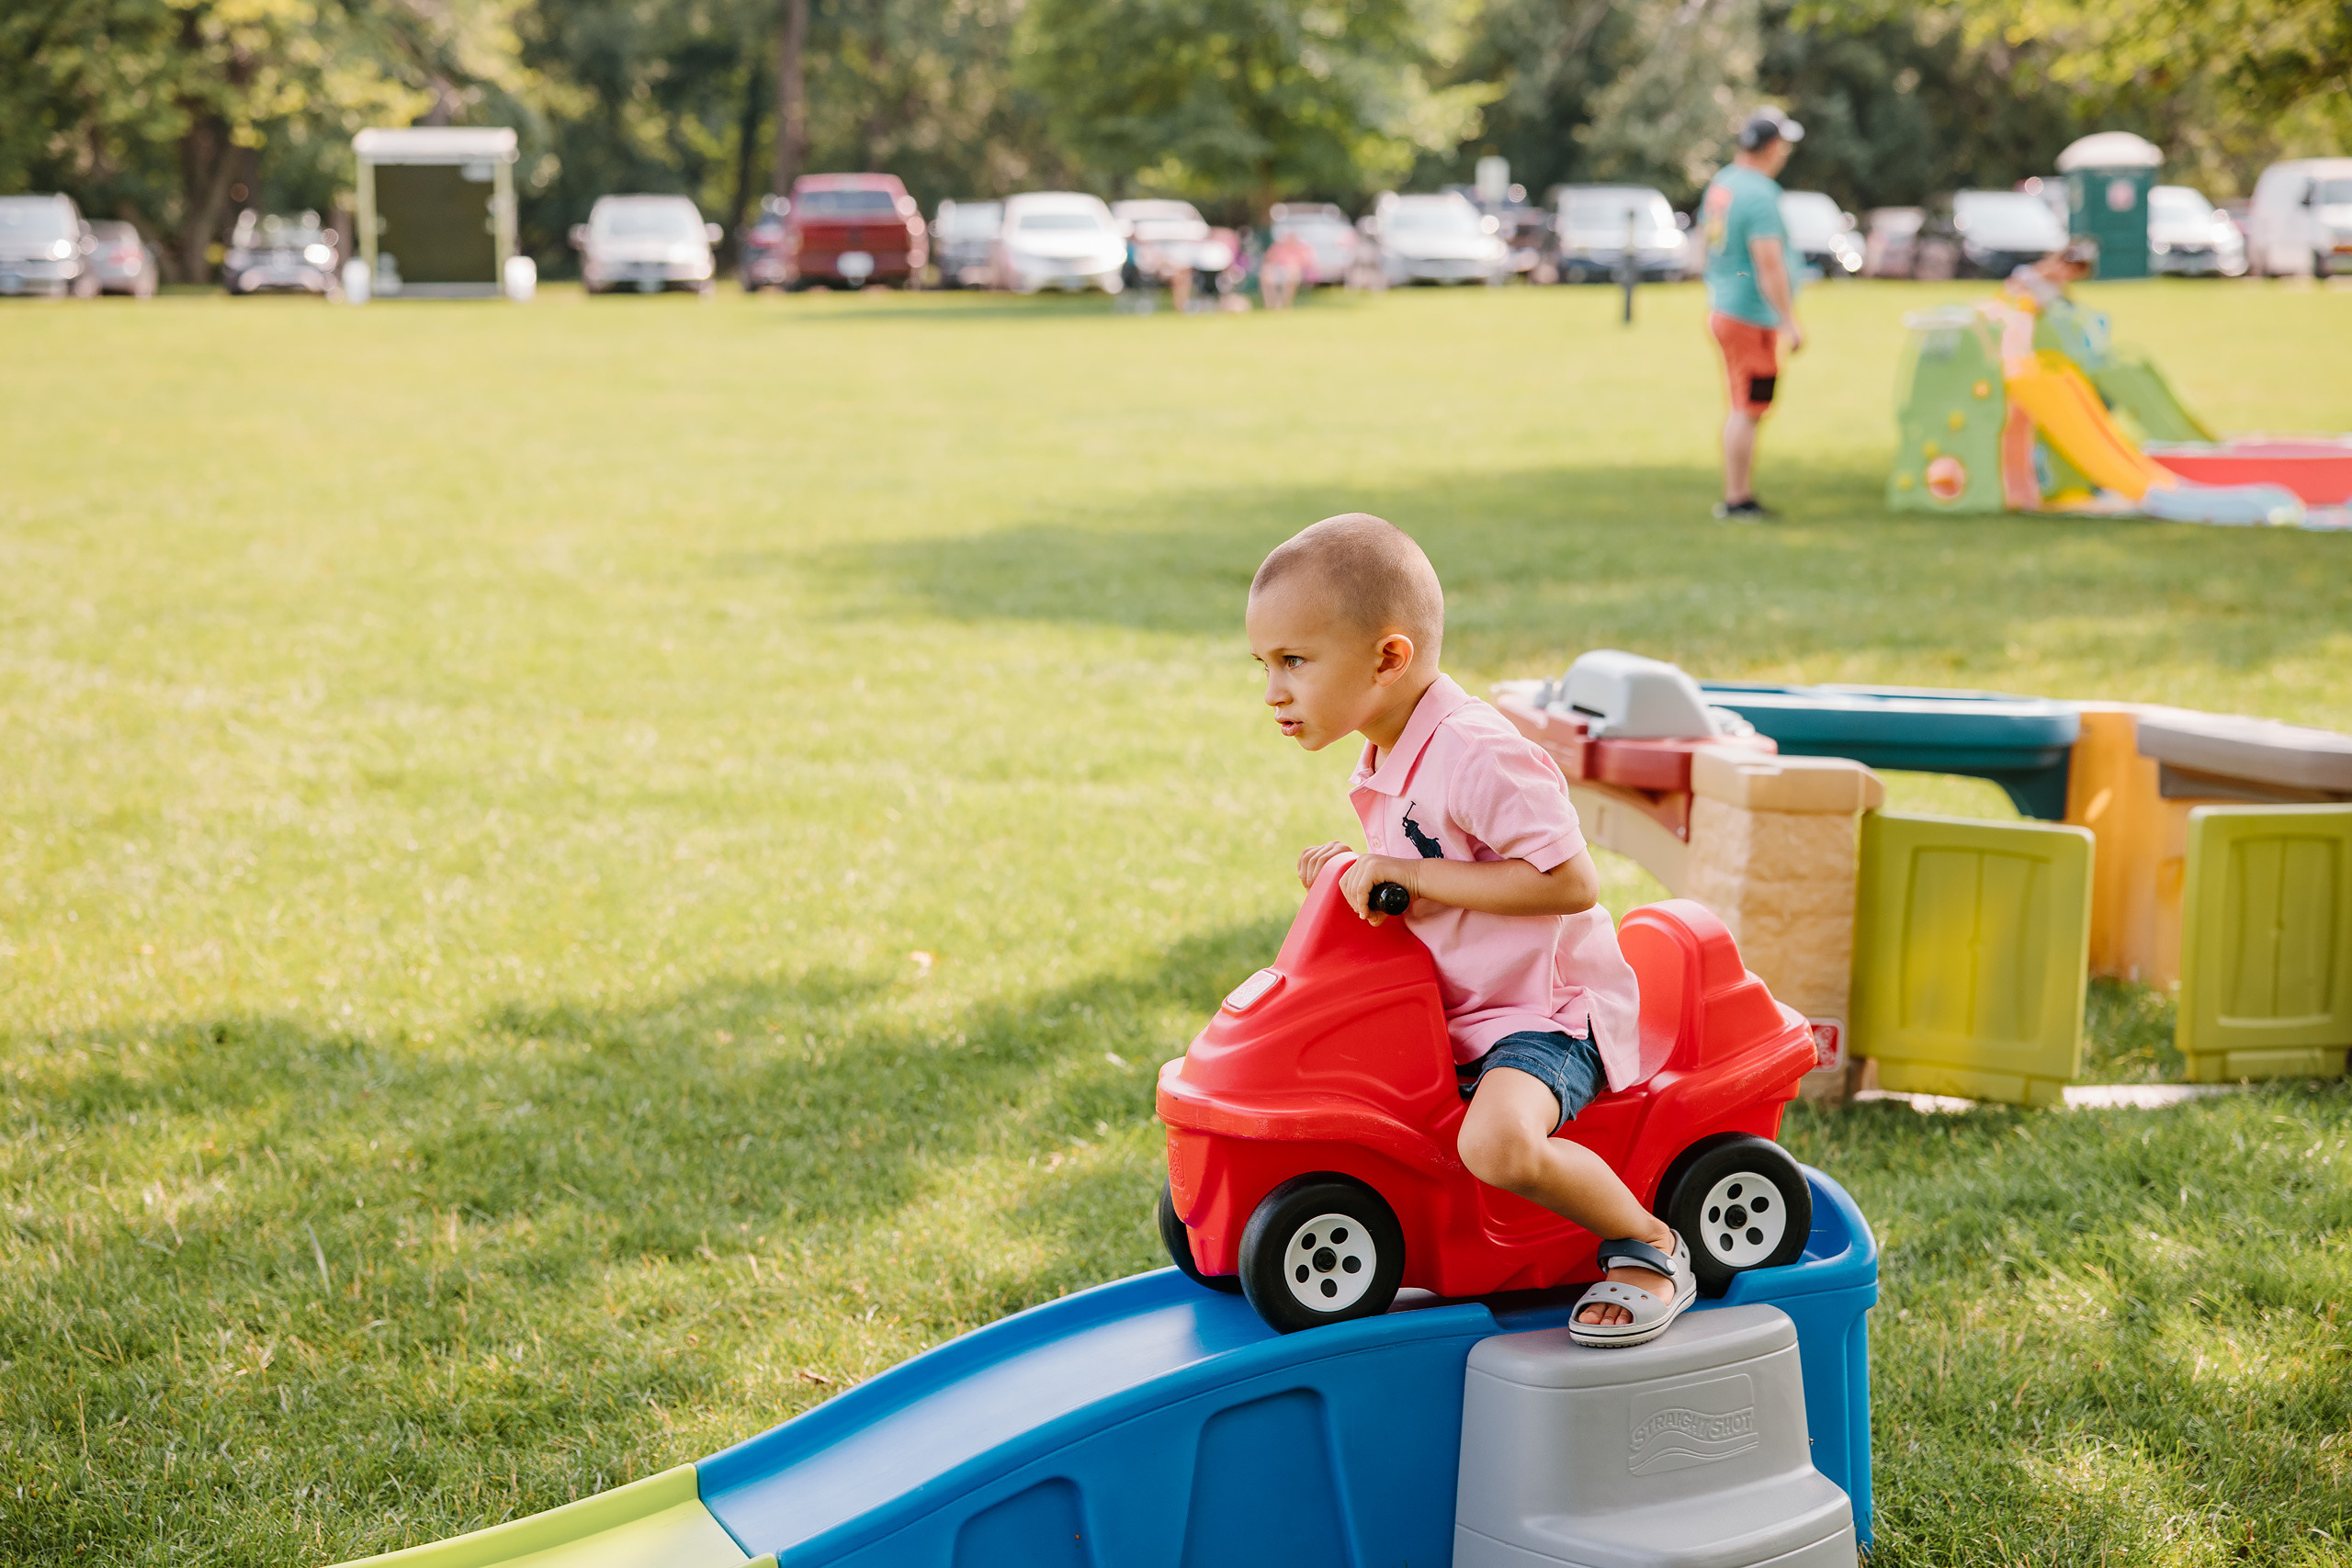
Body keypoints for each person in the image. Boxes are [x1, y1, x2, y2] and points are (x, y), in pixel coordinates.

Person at [1244, 513, 1692, 1348]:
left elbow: (1571, 881)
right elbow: (1431, 879)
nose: (1272, 689)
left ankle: (1651, 1245)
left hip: (1545, 1015)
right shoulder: (1386, 754)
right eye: (1263, 664)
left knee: (1496, 1145)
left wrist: (1407, 875)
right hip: (1459, 1012)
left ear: (1388, 658)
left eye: (1294, 661)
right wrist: (1357, 872)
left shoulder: (1477, 753)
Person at [1701, 109, 1806, 521]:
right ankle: (1737, 499)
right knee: (1748, 408)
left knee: (1747, 405)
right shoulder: (1760, 194)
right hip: (1749, 318)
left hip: (1727, 309)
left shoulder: (1723, 184)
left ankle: (1738, 496)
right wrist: (1789, 320)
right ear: (1772, 147)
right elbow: (1769, 263)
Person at [1260, 228, 1315, 310]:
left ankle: (1285, 304)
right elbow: (1268, 259)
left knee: (1293, 272)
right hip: (1278, 271)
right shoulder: (1279, 247)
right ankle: (1272, 305)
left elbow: (1307, 263)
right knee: (1266, 273)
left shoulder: (1302, 249)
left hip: (1296, 273)